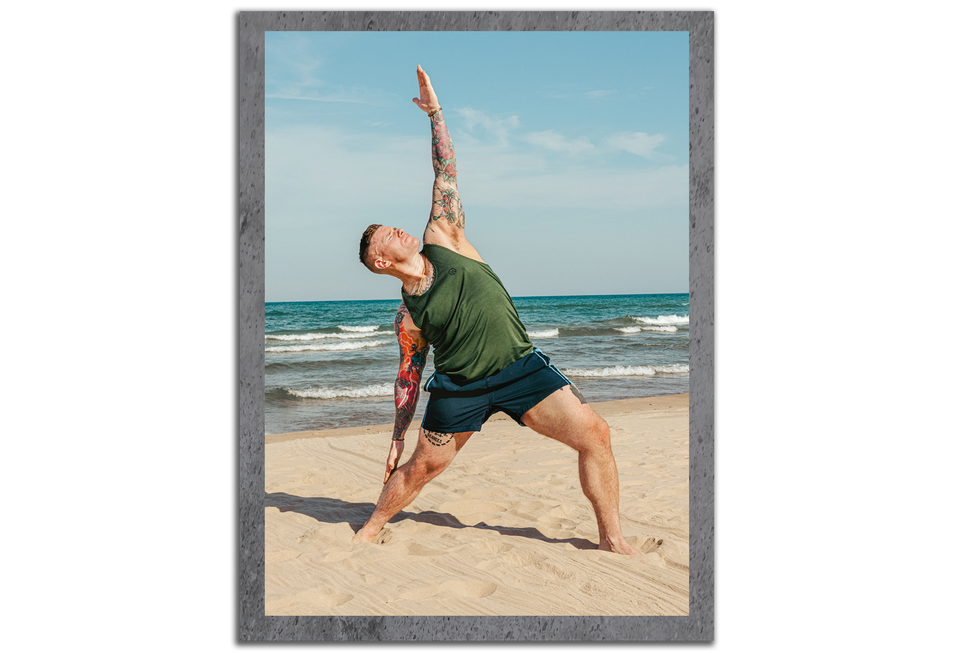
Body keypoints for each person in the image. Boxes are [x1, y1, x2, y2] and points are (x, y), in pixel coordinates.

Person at [353, 66, 641, 555]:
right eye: (387, 235)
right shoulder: (408, 316)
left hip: (520, 369)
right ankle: (371, 527)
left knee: (596, 435)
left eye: (395, 226)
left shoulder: (444, 237)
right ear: (381, 261)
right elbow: (409, 374)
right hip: (459, 388)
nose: (398, 230)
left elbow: (445, 172)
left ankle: (613, 541)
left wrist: (435, 114)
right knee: (423, 467)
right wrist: (399, 435)